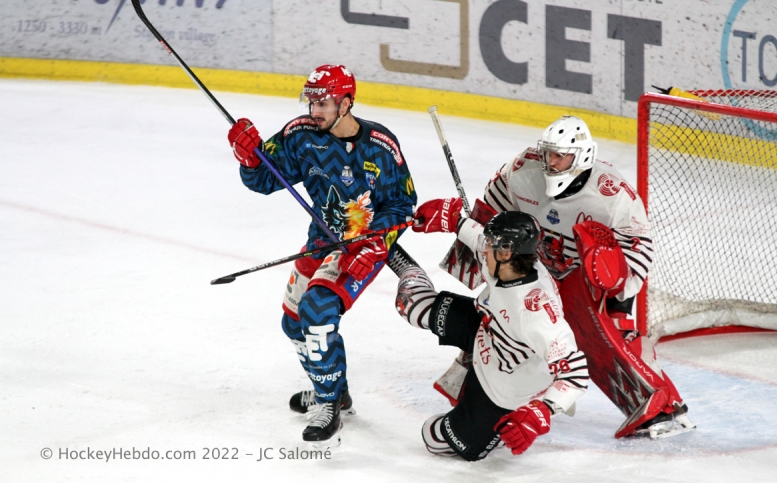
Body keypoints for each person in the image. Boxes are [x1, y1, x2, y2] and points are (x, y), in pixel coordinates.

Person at [226, 64, 417, 446]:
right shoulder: (301, 135)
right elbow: (265, 180)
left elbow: (403, 204)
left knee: (317, 311)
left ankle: (329, 405)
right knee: (293, 323)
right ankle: (337, 389)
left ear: (347, 103)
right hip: (321, 241)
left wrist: (378, 245)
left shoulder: (381, 146)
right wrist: (248, 157)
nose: (315, 111)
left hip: (363, 245)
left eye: (324, 103)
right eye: (311, 101)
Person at [475, 115, 694, 438]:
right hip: (537, 268)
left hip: (589, 278)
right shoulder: (523, 169)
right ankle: (478, 380)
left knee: (602, 340)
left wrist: (614, 286)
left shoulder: (611, 193)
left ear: (582, 157)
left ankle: (659, 408)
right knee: (503, 315)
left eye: (560, 156)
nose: (550, 162)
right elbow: (490, 212)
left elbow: (639, 249)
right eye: (548, 153)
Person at [395, 209, 589, 461]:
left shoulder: (536, 313)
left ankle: (487, 425)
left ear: (507, 253)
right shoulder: (507, 262)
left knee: (433, 437)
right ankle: (395, 257)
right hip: (484, 330)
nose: (483, 250)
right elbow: (478, 238)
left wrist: (541, 410)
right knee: (410, 304)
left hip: (502, 391)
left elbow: (576, 373)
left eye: (490, 245)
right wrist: (453, 219)